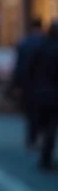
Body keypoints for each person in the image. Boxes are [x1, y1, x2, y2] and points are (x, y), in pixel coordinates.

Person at [27, 22, 58, 170]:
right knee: (51, 126)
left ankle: (40, 148)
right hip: (52, 92)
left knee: (44, 123)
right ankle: (46, 157)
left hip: (39, 91)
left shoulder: (40, 47)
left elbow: (30, 69)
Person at [13, 19, 45, 149]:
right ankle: (38, 136)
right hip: (42, 82)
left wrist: (17, 84)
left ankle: (31, 138)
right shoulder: (44, 43)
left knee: (30, 111)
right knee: (42, 112)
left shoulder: (24, 43)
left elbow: (19, 65)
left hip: (28, 82)